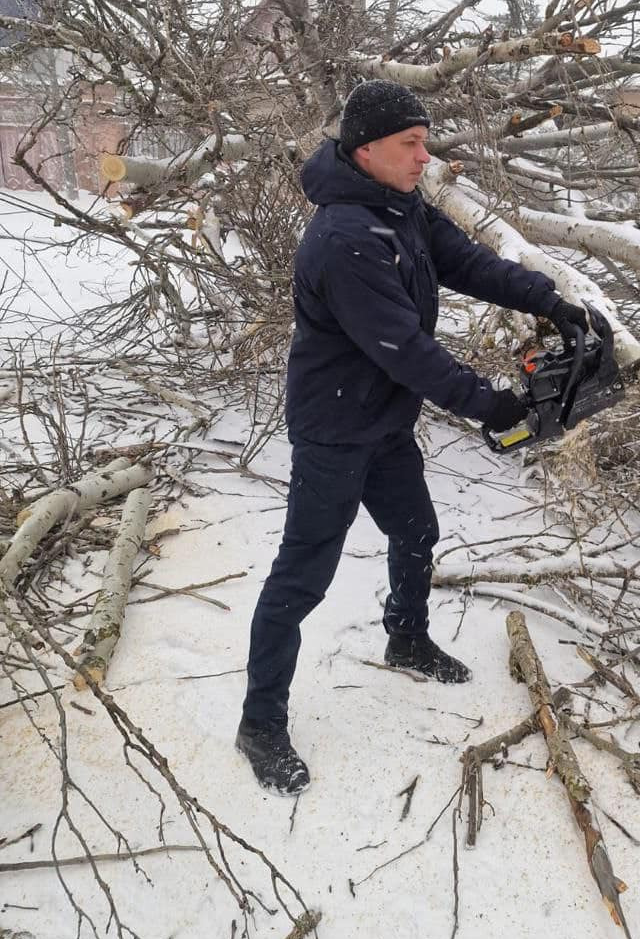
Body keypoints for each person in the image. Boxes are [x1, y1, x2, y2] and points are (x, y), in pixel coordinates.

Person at [236, 80, 603, 794]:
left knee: (416, 531)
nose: (422, 156)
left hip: (384, 422)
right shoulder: (343, 238)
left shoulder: (400, 208)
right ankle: (260, 721)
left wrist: (552, 302)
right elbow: (403, 347)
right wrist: (490, 405)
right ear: (366, 150)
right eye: (410, 144)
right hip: (335, 431)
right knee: (301, 577)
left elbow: (470, 264)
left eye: (424, 141)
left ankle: (405, 638)